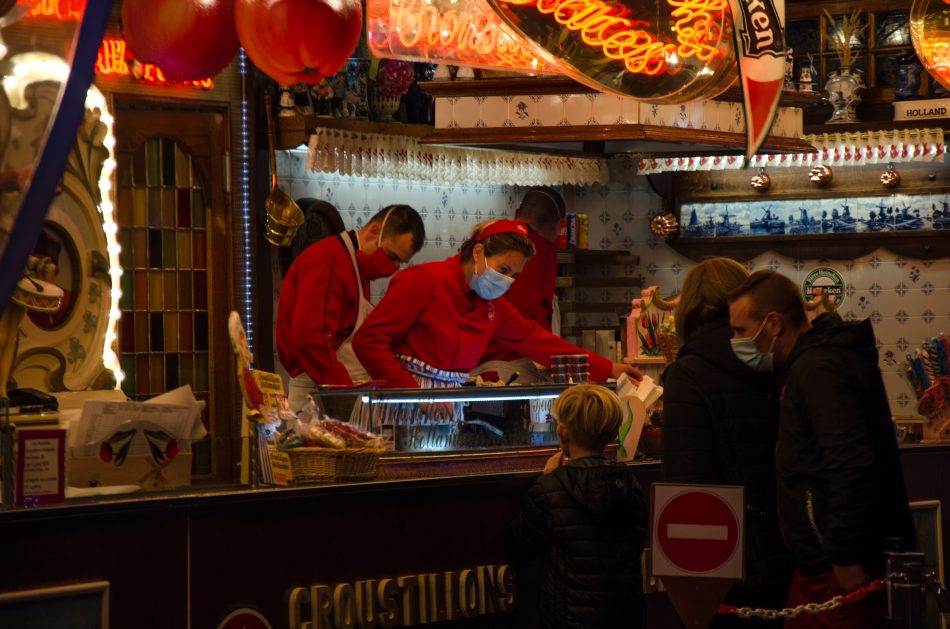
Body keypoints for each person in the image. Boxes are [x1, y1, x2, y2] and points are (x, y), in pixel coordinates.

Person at [728, 270, 916, 629]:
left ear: (773, 324)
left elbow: (851, 463)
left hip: (838, 570)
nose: (735, 340)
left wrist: (844, 555)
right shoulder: (811, 363)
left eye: (740, 330)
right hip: (821, 566)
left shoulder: (818, 369)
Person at [353, 220, 639, 391]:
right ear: (478, 252)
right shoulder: (423, 281)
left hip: (448, 408)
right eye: (503, 268)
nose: (506, 280)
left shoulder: (492, 305)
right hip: (400, 402)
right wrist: (412, 394)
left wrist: (611, 368)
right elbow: (368, 341)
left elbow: (539, 341)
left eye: (514, 275)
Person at [661, 258, 793, 628]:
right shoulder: (777, 356)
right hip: (790, 546)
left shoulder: (688, 373)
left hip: (728, 560)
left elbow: (686, 487)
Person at [510, 384, 647, 629]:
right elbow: (637, 541)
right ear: (612, 433)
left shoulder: (550, 487)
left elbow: (524, 543)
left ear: (563, 433)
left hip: (567, 618)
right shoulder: (629, 483)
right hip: (624, 616)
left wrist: (547, 478)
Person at [276, 204, 424, 410]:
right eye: (391, 256)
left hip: (335, 394)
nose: (392, 268)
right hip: (318, 398)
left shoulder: (356, 268)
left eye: (400, 262)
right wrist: (343, 392)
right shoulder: (330, 261)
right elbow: (310, 339)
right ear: (374, 231)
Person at [474, 187, 566, 384]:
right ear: (557, 226)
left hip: (478, 366)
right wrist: (550, 361)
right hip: (513, 366)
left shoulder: (492, 241)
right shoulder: (539, 249)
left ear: (516, 213)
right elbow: (533, 310)